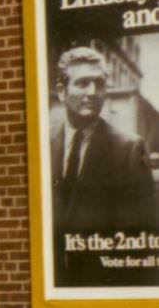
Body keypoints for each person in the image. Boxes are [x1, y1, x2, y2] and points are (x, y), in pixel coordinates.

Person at [50, 46, 159, 283]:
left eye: (99, 84)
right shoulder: (46, 141)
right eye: (82, 83)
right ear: (61, 91)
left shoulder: (129, 149)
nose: (93, 92)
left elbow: (140, 239)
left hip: (100, 281)